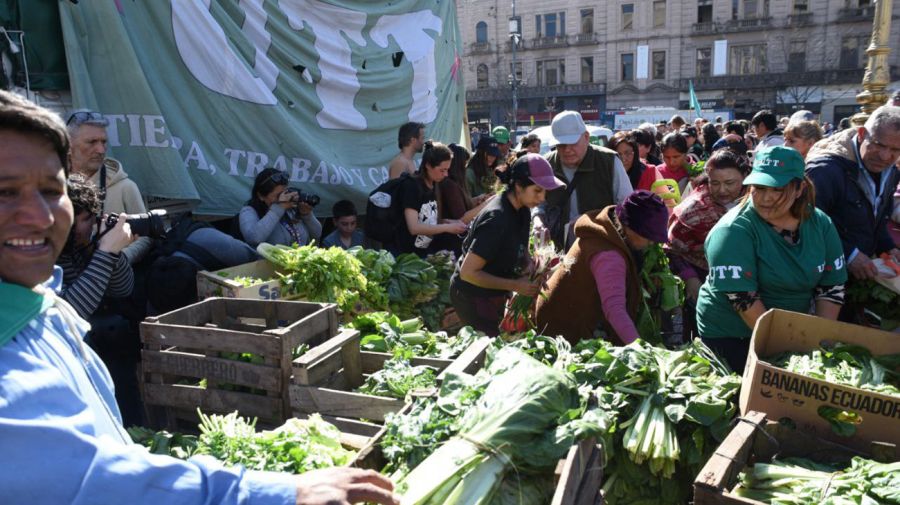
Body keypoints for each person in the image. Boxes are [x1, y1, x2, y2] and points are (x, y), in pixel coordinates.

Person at [0, 91, 399, 505]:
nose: (42, 216)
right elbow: (89, 480)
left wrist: (109, 252)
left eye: (52, 190)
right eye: (6, 192)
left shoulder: (41, 308)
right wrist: (279, 492)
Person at [696, 147, 847, 372]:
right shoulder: (732, 231)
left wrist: (820, 341)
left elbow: (831, 285)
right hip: (735, 332)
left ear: (799, 189)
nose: (766, 198)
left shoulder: (819, 223)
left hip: (792, 328)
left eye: (777, 189)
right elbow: (744, 301)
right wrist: (789, 353)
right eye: (759, 188)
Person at [535, 191, 670, 345]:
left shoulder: (607, 230)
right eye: (649, 237)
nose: (651, 243)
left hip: (558, 312)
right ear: (631, 228)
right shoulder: (609, 256)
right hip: (562, 328)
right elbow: (614, 310)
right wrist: (640, 348)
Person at [450, 154, 564, 335]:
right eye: (537, 190)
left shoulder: (522, 209)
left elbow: (520, 247)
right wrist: (515, 285)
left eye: (545, 192)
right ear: (518, 186)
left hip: (494, 292)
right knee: (488, 348)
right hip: (473, 296)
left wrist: (529, 265)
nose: (542, 198)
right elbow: (468, 273)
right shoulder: (496, 219)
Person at [806, 105, 900, 280]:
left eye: (896, 150)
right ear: (863, 134)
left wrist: (887, 246)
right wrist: (849, 254)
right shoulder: (824, 170)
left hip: (859, 275)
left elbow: (877, 218)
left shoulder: (892, 171)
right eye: (879, 145)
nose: (885, 156)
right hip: (823, 277)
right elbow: (807, 224)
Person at [534, 111, 633, 251]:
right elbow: (538, 203)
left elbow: (626, 206)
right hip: (558, 249)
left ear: (586, 137)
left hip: (601, 246)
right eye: (561, 145)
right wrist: (538, 220)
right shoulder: (547, 163)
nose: (567, 150)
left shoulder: (609, 161)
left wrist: (594, 221)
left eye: (572, 143)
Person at [66, 109, 152, 264]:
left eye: (104, 142)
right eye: (92, 142)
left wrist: (115, 261)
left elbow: (146, 236)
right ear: (68, 144)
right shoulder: (54, 186)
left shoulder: (126, 187)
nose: (101, 150)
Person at [667, 149, 752, 303]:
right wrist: (690, 277)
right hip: (704, 282)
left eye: (729, 183)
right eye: (715, 183)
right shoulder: (692, 210)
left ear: (744, 177)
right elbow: (671, 248)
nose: (722, 190)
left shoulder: (756, 199)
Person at [57, 174, 135, 320]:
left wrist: (105, 249)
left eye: (87, 218)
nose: (80, 229)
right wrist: (106, 254)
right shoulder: (40, 255)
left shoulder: (81, 245)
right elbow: (66, 316)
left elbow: (123, 289)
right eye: (72, 220)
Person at [387, 141, 467, 257]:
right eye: (442, 170)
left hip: (424, 252)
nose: (446, 175)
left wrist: (447, 222)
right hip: (405, 255)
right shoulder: (412, 186)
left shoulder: (433, 185)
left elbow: (427, 219)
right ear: (428, 165)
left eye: (447, 170)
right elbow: (414, 227)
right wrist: (447, 227)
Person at [433, 143, 494, 254]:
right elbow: (462, 219)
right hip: (452, 242)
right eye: (465, 164)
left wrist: (477, 199)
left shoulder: (453, 183)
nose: (466, 168)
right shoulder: (449, 185)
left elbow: (461, 204)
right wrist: (487, 204)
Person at [239, 167, 322, 247]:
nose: (284, 197)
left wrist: (306, 215)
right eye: (278, 195)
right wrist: (278, 208)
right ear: (261, 196)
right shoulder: (249, 211)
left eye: (285, 192)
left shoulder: (290, 208)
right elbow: (254, 239)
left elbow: (317, 233)